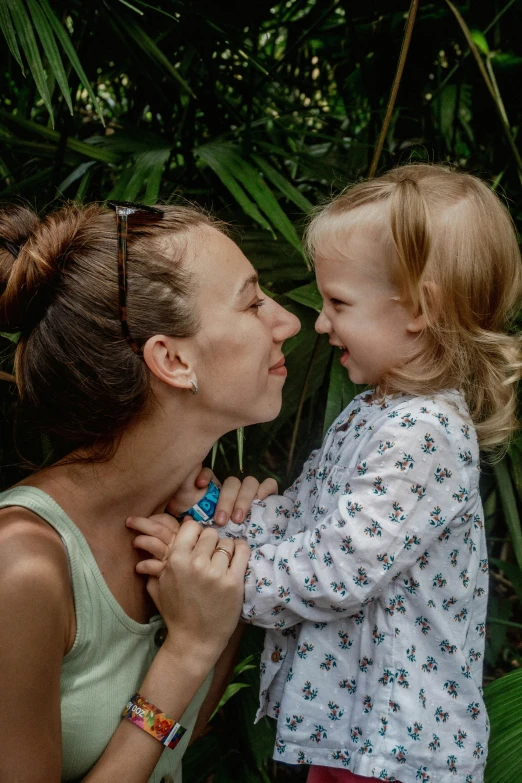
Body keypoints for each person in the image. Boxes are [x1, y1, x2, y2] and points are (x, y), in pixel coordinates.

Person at [130, 164, 522, 783]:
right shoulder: (374, 413)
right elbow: (304, 519)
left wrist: (209, 575)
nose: (318, 322)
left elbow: (335, 572)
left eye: (339, 303)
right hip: (348, 736)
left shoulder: (425, 433)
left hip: (393, 752)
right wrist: (211, 519)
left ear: (422, 307)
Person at [0, 200, 300, 782]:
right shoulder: (23, 567)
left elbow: (178, 744)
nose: (287, 320)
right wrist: (187, 649)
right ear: (172, 359)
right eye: (252, 301)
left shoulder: (194, 526)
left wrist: (231, 553)